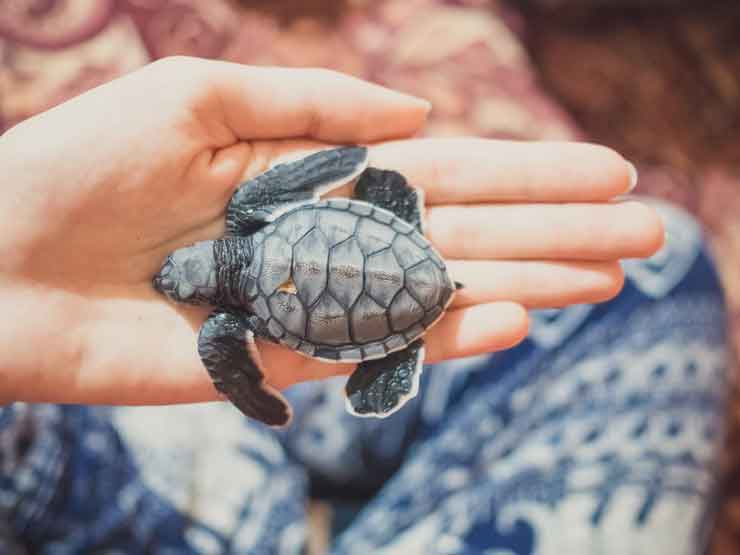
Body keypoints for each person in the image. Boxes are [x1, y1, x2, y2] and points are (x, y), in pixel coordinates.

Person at [0, 58, 726, 554]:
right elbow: (247, 375)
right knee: (653, 273)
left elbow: (242, 372)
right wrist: (342, 163)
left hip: (139, 424)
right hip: (158, 477)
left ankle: (342, 501)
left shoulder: (229, 316)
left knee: (654, 264)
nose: (173, 279)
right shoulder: (252, 228)